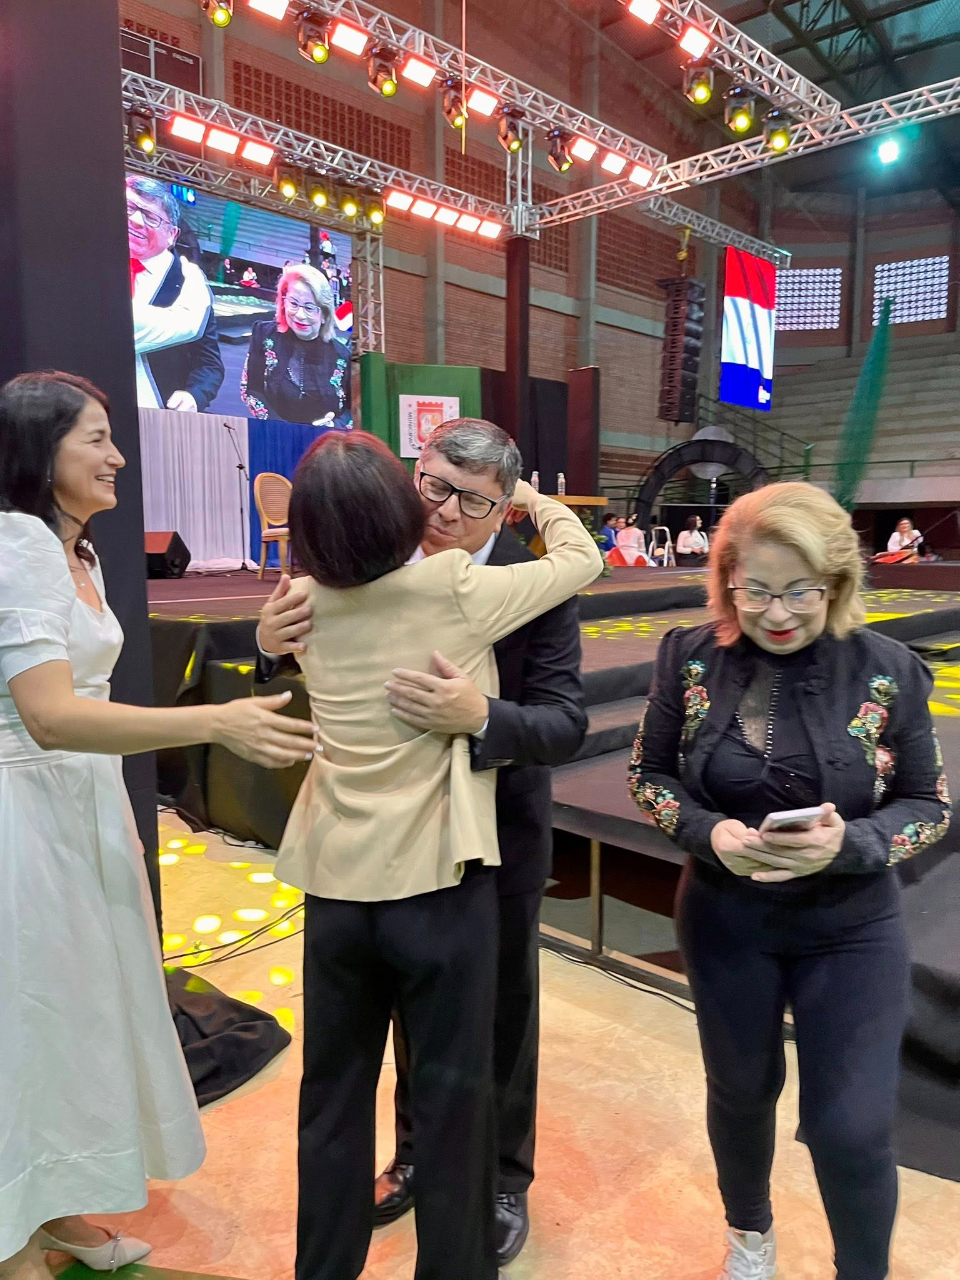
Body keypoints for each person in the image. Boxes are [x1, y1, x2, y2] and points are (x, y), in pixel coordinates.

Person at [261, 430, 601, 1280]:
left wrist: (481, 716)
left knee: (485, 1040)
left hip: (456, 851)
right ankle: (423, 1174)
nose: (447, 510)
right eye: (434, 487)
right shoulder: (438, 585)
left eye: (474, 499)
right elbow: (583, 557)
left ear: (504, 505)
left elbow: (564, 725)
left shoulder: (322, 588)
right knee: (449, 1084)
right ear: (406, 488)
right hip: (433, 880)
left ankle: (503, 1184)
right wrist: (267, 640)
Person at [0, 372, 317, 1280]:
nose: (117, 457)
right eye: (95, 439)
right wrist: (216, 722)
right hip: (25, 817)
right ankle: (13, 1235)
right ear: (41, 452)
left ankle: (51, 1204)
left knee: (73, 1013)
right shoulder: (19, 546)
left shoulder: (79, 552)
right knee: (28, 1020)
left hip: (80, 807)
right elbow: (48, 716)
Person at [628, 481, 950, 1280]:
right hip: (726, 919)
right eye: (757, 590)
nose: (776, 613)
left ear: (836, 582)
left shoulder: (890, 672)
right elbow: (649, 775)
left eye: (800, 591)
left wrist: (853, 843)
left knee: (851, 1127)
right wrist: (708, 832)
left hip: (852, 927)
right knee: (741, 1090)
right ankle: (750, 1237)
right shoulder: (690, 656)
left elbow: (929, 806)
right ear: (728, 580)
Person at [126, 175, 225, 413]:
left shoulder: (189, 282)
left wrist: (194, 395)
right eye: (128, 208)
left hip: (155, 415)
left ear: (172, 234)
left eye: (151, 217)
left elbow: (209, 363)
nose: (136, 220)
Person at [241, 264, 352, 428]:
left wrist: (334, 425)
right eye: (293, 303)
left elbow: (353, 410)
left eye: (309, 308)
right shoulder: (264, 334)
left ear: (324, 314)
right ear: (283, 302)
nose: (299, 315)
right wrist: (282, 428)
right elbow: (251, 389)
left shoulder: (342, 356)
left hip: (323, 439)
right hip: (272, 434)